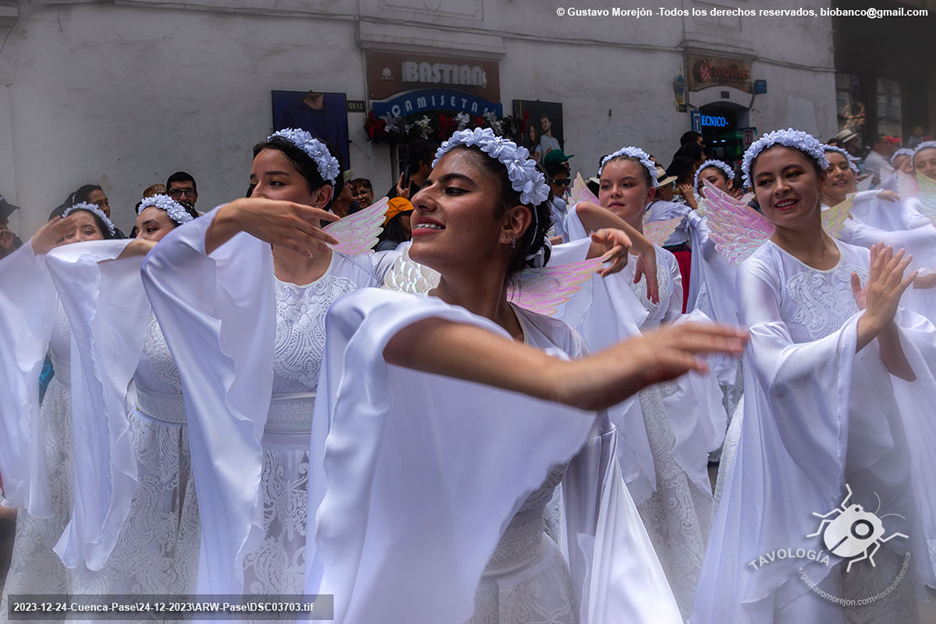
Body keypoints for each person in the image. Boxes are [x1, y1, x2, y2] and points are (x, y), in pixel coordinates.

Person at [302, 128, 747, 624]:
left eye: (452, 189)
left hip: (541, 598)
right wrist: (562, 383)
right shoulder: (385, 326)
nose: (422, 199)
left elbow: (602, 513)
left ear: (512, 221)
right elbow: (377, 325)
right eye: (427, 185)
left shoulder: (558, 343)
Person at [692, 128, 936, 623]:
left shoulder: (863, 260)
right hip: (794, 453)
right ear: (755, 194)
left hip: (873, 453)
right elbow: (774, 368)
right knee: (811, 592)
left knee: (879, 592)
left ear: (821, 179)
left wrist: (885, 324)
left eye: (792, 173)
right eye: (765, 181)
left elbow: (903, 367)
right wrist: (866, 323)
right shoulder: (760, 269)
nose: (779, 188)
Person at [141, 128, 380, 597]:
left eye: (275, 182)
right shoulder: (229, 273)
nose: (257, 196)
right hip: (249, 473)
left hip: (336, 478)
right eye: (252, 184)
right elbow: (159, 268)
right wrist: (232, 216)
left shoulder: (367, 273)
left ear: (322, 195)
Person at [563, 146, 728, 616]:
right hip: (597, 386)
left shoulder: (669, 262)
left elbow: (669, 322)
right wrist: (642, 245)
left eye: (627, 184)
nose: (614, 193)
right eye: (607, 184)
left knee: (664, 501)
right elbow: (581, 209)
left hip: (651, 399)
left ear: (650, 192)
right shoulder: (587, 240)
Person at [45, 195, 201, 595]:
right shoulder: (128, 292)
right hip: (146, 441)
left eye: (153, 228)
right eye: (137, 229)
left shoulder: (206, 291)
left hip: (199, 445)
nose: (141, 237)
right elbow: (74, 261)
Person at [0, 204, 114, 618]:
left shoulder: (127, 282)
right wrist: (33, 251)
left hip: (111, 421)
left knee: (101, 516)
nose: (78, 240)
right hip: (61, 416)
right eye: (66, 234)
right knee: (55, 512)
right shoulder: (46, 284)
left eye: (89, 230)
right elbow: (7, 294)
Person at [0, 194, 23, 260]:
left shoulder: (13, 241)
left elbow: (27, 268)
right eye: (2, 217)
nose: (7, 221)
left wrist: (11, 250)